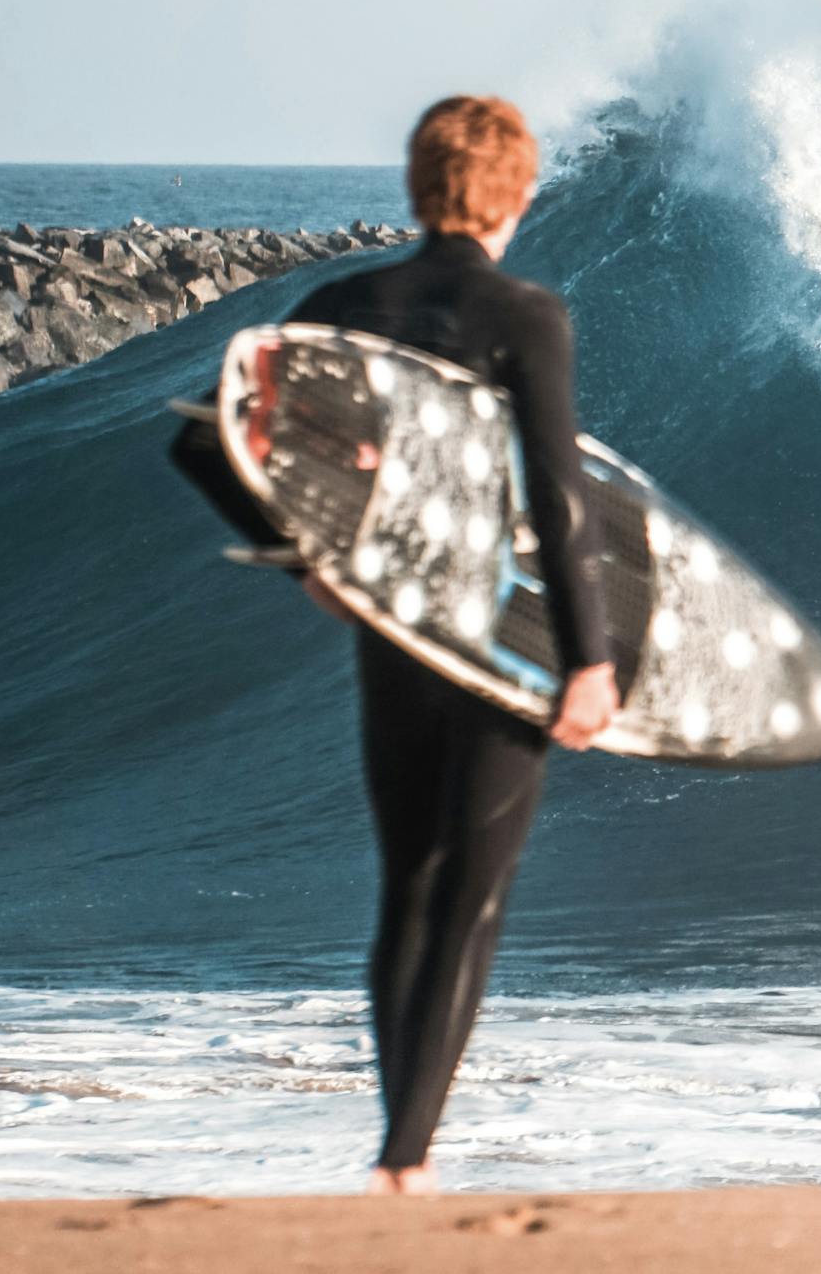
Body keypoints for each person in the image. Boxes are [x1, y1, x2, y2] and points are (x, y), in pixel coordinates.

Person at [224, 96, 619, 1195]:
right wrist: (588, 658)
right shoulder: (525, 314)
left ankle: (398, 1150)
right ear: (520, 193)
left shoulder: (346, 302)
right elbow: (560, 492)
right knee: (471, 897)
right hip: (492, 642)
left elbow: (214, 438)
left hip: (392, 629)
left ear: (419, 185)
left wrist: (302, 558)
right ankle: (407, 1159)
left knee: (406, 881)